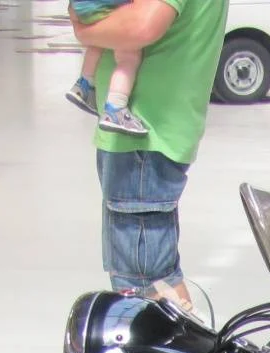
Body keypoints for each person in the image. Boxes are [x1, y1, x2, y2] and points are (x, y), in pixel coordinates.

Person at [70, 0, 229, 308]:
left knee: (148, 287)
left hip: (145, 138)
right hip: (138, 137)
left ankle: (169, 341)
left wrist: (85, 30)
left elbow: (140, 26)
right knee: (146, 281)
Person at [66, 0, 148, 137]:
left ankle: (84, 85)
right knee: (128, 56)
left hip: (82, 6)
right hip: (108, 5)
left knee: (99, 37)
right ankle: (116, 107)